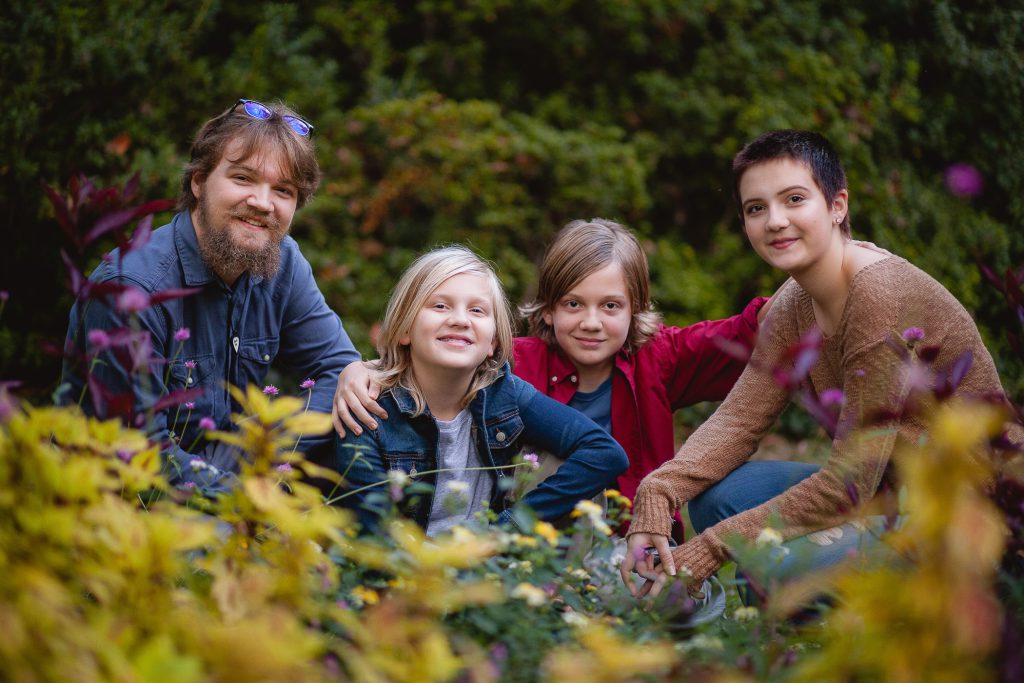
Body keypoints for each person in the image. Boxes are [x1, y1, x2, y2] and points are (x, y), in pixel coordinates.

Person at [620, 129, 1023, 599]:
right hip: (889, 490)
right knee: (724, 498)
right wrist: (657, 491)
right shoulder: (795, 301)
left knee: (778, 570)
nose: (775, 221)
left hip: (973, 511)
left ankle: (812, 626)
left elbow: (848, 483)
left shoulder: (878, 297)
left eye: (794, 199)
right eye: (756, 208)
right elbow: (737, 421)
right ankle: (784, 611)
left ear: (837, 205)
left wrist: (711, 548)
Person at [333, 219, 770, 526]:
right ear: (549, 307)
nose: (591, 322)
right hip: (537, 538)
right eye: (574, 304)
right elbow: (436, 358)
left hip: (638, 536)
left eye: (611, 306)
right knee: (546, 457)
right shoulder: (513, 364)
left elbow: (758, 328)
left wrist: (825, 266)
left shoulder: (660, 357)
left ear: (636, 308)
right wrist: (357, 369)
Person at [62, 99, 360, 490]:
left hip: (227, 467)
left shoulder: (282, 261)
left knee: (367, 415)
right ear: (198, 181)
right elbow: (137, 456)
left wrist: (269, 452)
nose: (262, 203)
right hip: (122, 504)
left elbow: (339, 371)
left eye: (282, 190)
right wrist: (252, 502)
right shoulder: (130, 291)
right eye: (243, 179)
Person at [332, 245, 628, 534]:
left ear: (493, 343)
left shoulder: (504, 393)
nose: (460, 320)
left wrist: (506, 531)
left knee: (558, 460)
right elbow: (375, 535)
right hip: (409, 572)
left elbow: (604, 452)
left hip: (491, 569)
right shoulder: (367, 407)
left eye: (477, 310)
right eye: (440, 306)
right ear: (405, 328)